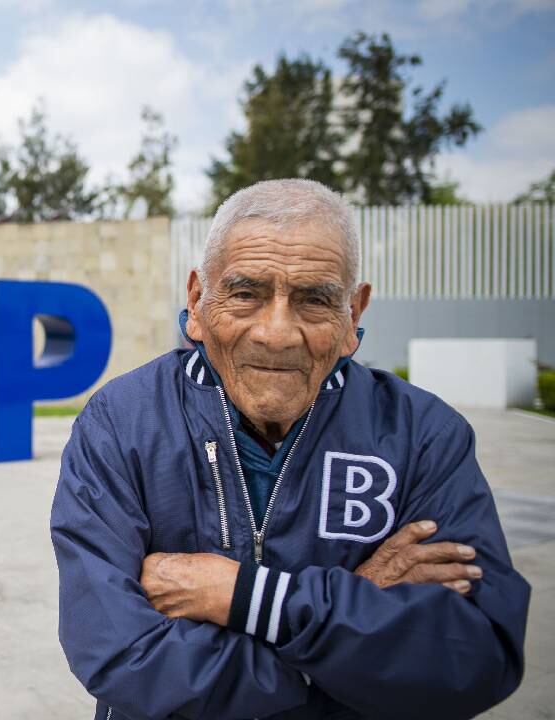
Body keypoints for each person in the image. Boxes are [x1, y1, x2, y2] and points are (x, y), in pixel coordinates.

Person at [50, 179, 530, 720]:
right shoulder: (122, 421)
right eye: (246, 293)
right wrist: (348, 613)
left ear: (353, 314)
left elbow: (476, 655)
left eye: (314, 299)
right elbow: (120, 654)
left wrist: (246, 596)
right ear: (197, 300)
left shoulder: (424, 435)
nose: (276, 333)